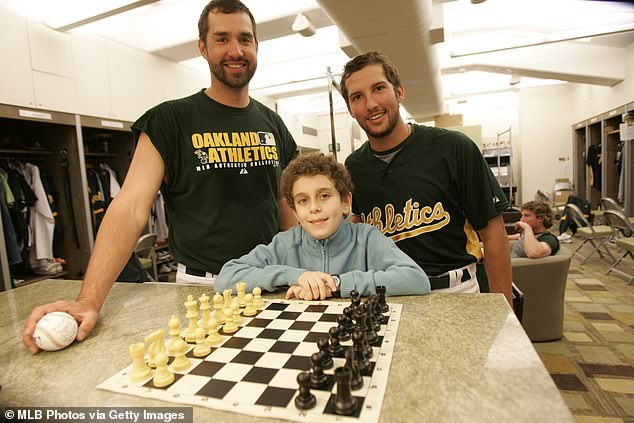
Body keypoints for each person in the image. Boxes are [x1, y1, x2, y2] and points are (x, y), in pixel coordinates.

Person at [22, 0, 297, 354]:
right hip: (202, 289)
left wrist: (301, 269)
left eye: (245, 39)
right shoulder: (169, 121)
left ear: (257, 45)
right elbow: (131, 207)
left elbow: (286, 204)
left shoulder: (273, 124)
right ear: (203, 47)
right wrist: (89, 300)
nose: (236, 50)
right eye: (222, 39)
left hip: (268, 279)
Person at [341, 51, 512, 304]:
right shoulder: (354, 166)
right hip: (389, 294)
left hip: (454, 292)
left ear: (399, 92)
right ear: (351, 109)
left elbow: (493, 233)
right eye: (358, 97)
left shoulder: (453, 148)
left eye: (379, 88)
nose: (371, 104)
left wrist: (505, 311)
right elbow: (357, 222)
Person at [215, 153, 430, 300]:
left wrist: (336, 284)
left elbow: (416, 279)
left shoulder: (367, 238)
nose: (314, 208)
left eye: (324, 196)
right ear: (295, 212)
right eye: (303, 201)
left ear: (346, 202)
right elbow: (226, 278)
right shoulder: (284, 243)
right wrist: (295, 275)